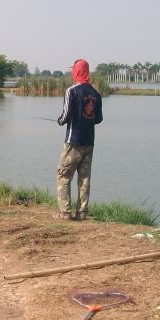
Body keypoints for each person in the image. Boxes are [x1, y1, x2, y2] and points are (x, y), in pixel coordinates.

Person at [56, 59, 103, 220]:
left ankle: (65, 212)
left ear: (77, 71)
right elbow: (98, 119)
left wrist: (60, 120)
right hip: (89, 142)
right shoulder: (96, 94)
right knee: (84, 179)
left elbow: (66, 115)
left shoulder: (72, 91)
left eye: (73, 70)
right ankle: (82, 213)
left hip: (73, 142)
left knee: (64, 175)